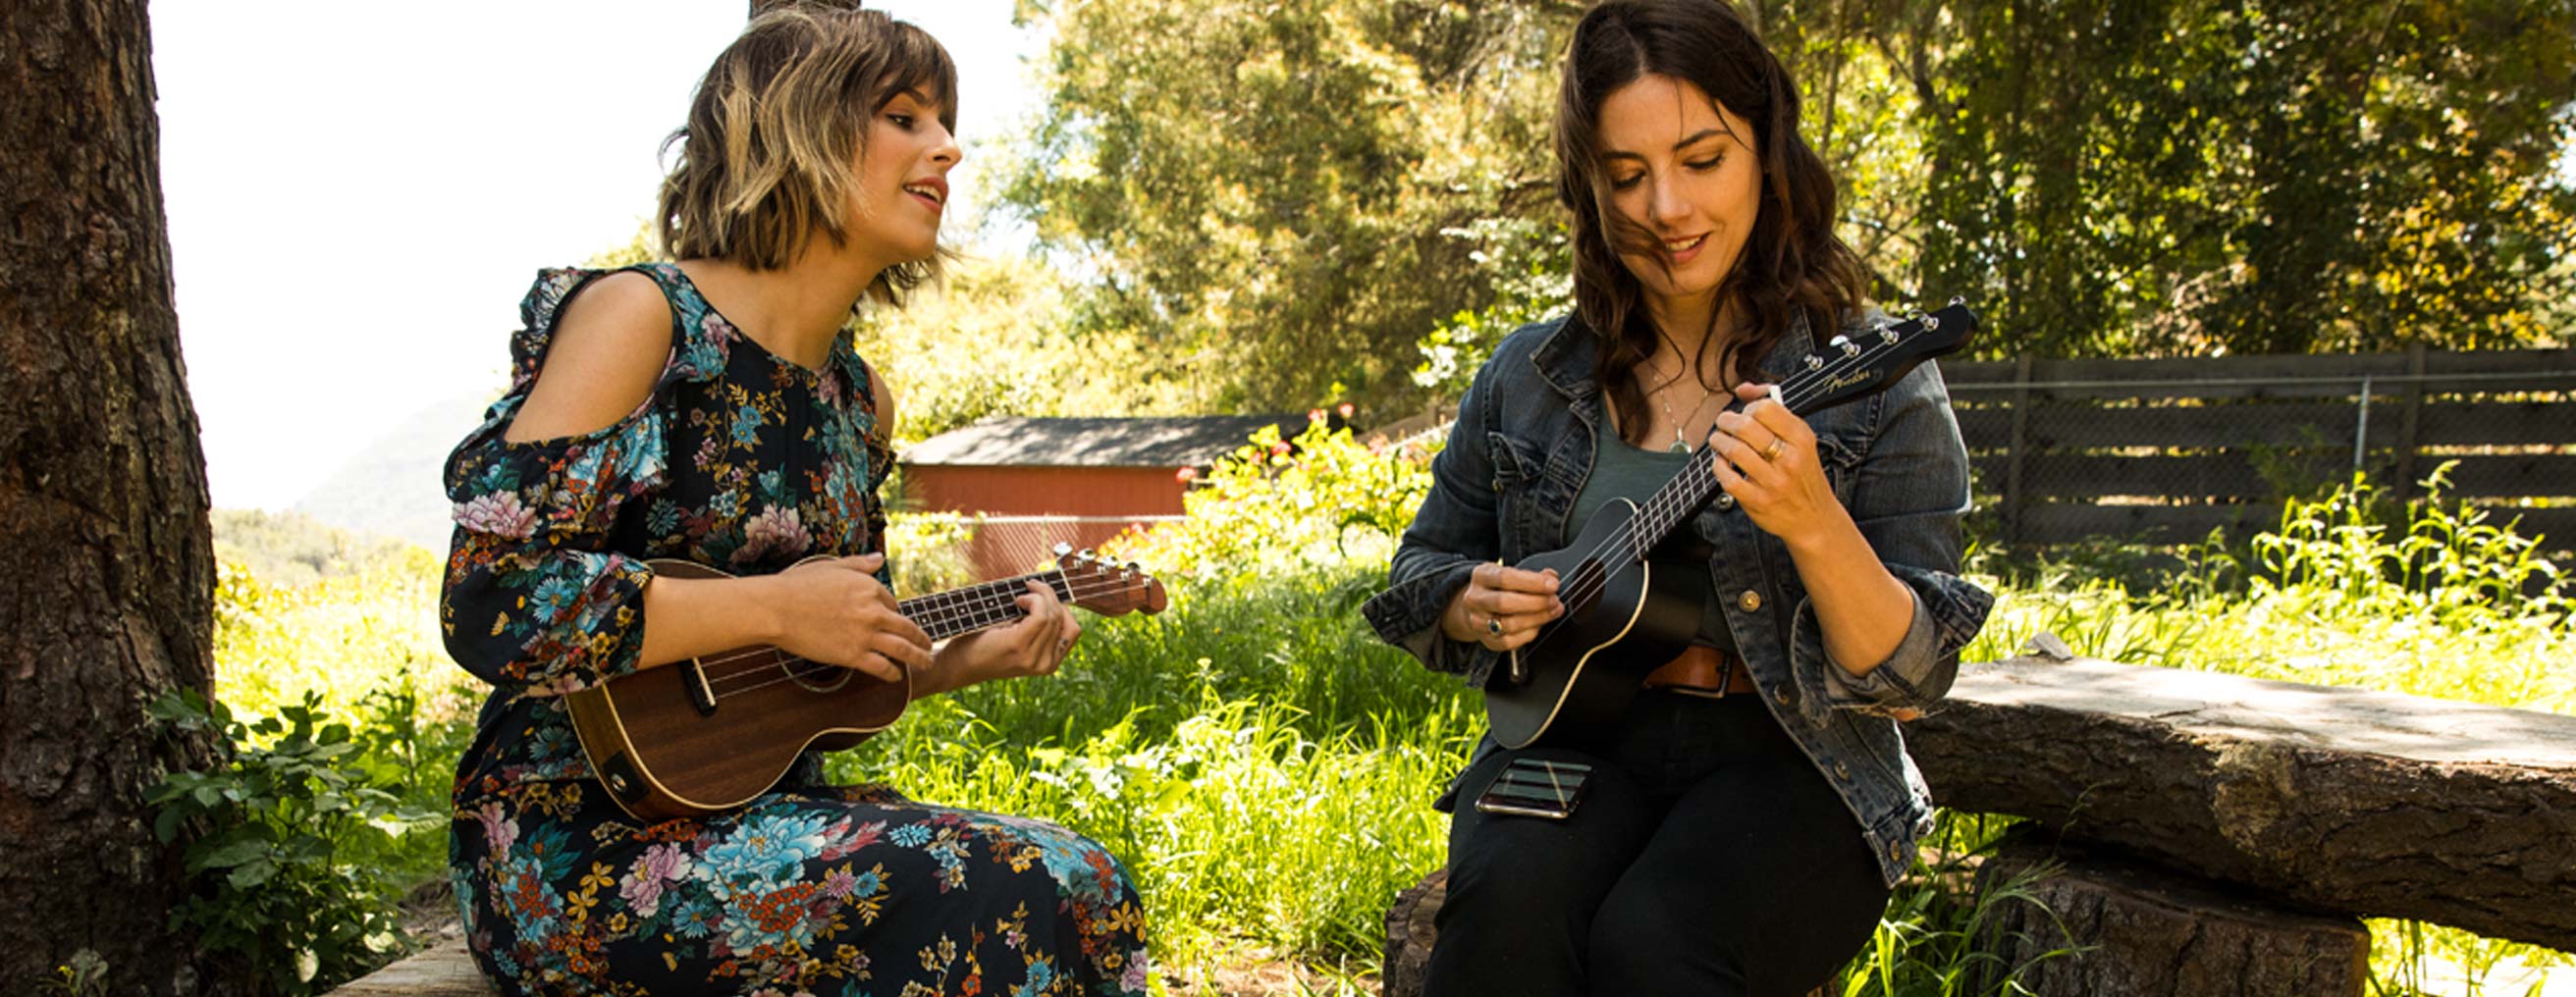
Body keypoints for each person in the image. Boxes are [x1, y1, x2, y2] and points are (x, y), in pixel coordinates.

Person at [439, 7, 1151, 994]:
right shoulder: (641, 319)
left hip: (757, 815)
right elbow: (491, 602)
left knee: (1087, 883)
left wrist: (962, 660)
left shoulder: (859, 402)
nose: (947, 148)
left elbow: (800, 680)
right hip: (578, 843)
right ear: (794, 125)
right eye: (903, 116)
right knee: (1016, 880)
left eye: (943, 122)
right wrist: (773, 605)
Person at [1359, 1, 1995, 993]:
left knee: (1657, 944)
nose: (1665, 206)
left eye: (1701, 160)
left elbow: (1909, 679)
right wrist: (1462, 603)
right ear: (1588, 185)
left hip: (1796, 760)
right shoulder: (1529, 375)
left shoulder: (1873, 383)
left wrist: (1812, 521)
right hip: (1571, 737)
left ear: (1766, 154)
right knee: (1504, 925)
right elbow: (1416, 573)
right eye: (1626, 175)